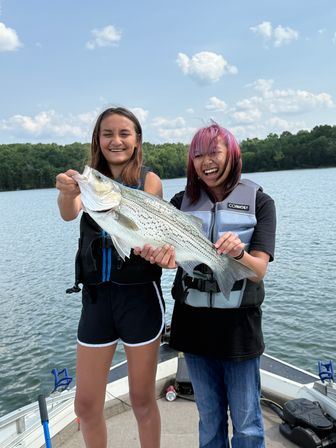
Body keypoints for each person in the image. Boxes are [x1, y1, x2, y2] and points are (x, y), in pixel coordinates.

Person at [135, 123, 276, 448]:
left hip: (239, 332)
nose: (206, 161)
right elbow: (171, 260)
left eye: (214, 152)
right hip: (194, 331)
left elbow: (257, 272)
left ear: (232, 154)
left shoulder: (261, 202)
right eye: (198, 154)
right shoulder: (178, 202)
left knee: (248, 426)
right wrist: (161, 257)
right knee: (209, 422)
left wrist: (239, 252)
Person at [55, 107, 164, 448]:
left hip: (140, 298)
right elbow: (68, 214)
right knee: (85, 406)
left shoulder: (149, 181)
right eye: (107, 134)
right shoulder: (87, 182)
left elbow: (155, 233)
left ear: (137, 140)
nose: (115, 141)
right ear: (97, 140)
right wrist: (67, 192)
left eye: (124, 133)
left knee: (143, 400)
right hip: (97, 300)